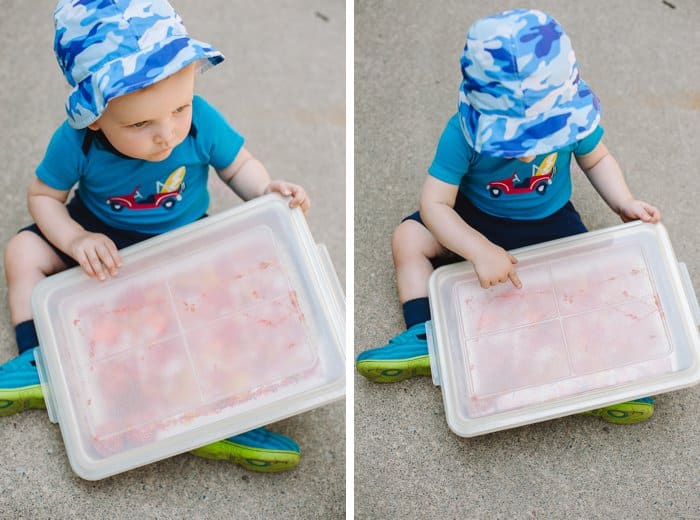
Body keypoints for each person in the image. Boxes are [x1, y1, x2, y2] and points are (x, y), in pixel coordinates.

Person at [0, 0, 310, 472]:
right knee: (23, 250)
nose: (166, 134)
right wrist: (76, 239)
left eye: (179, 107)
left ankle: (221, 414)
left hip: (185, 247)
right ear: (95, 115)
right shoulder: (77, 141)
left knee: (220, 314)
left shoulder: (201, 119)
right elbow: (44, 196)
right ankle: (37, 363)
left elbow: (239, 166)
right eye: (141, 124)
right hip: (103, 244)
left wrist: (265, 191)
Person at [356, 9, 659, 425]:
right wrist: (478, 249)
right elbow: (435, 204)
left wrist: (623, 202)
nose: (532, 152)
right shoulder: (462, 132)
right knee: (408, 238)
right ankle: (425, 332)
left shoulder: (572, 118)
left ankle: (604, 373)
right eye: (516, 140)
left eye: (543, 136)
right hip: (475, 218)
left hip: (552, 222)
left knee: (584, 290)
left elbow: (598, 159)